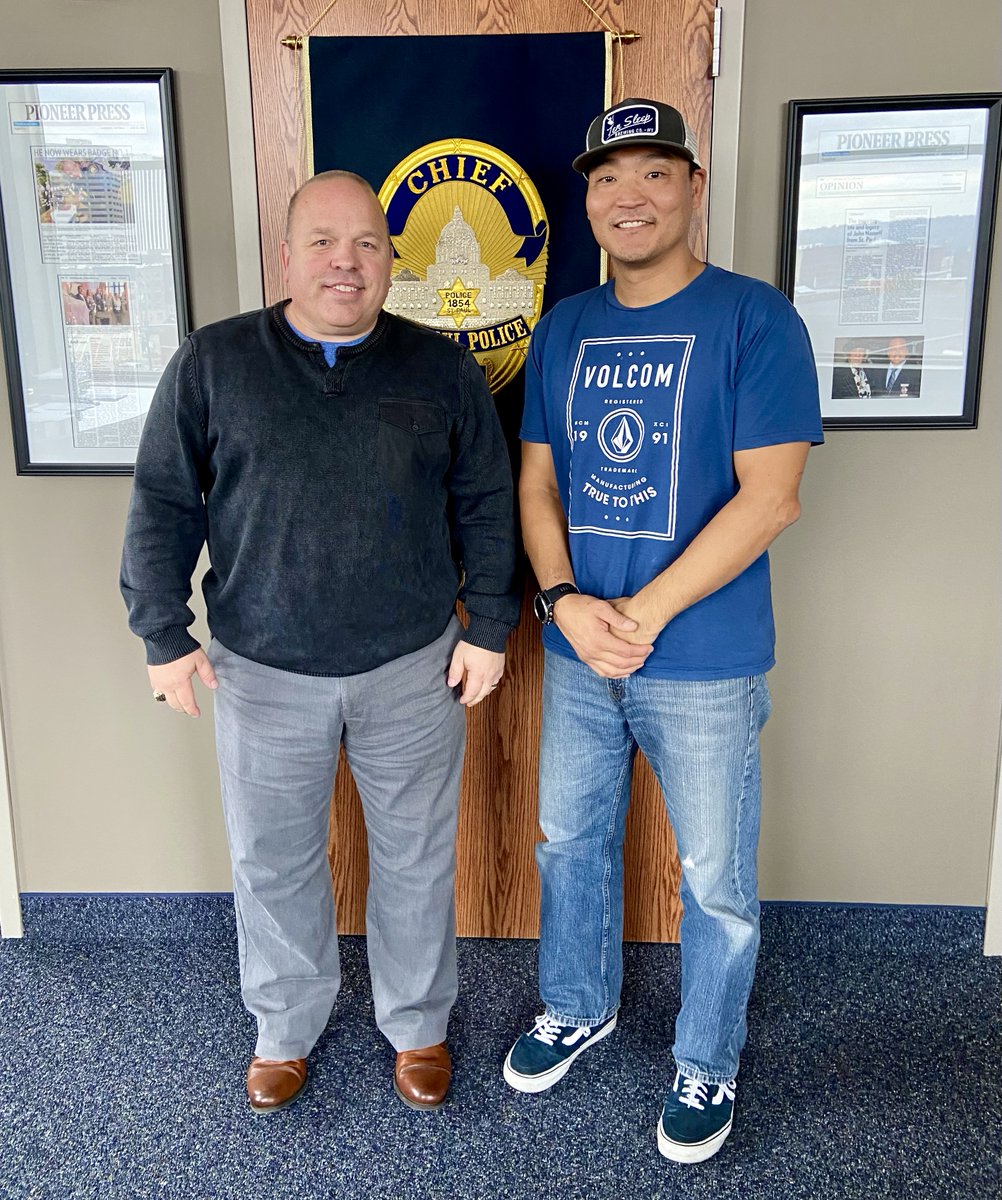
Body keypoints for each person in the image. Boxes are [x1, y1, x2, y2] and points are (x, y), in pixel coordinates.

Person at [121, 170, 518, 1115]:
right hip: (261, 669)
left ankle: (417, 1025)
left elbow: (487, 503)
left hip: (414, 666)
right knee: (273, 861)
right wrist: (162, 635)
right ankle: (284, 1028)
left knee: (416, 858)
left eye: (368, 244)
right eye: (325, 242)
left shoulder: (441, 369)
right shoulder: (213, 363)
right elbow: (164, 503)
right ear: (287, 256)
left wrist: (493, 625)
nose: (347, 261)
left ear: (390, 260)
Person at [503, 98, 823, 1163]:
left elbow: (771, 498)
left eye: (652, 172)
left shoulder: (756, 319)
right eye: (606, 178)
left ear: (692, 186)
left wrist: (641, 613)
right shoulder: (564, 328)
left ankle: (707, 1060)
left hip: (702, 661)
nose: (627, 195)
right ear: (588, 201)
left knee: (714, 879)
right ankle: (577, 1005)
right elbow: (538, 482)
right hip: (579, 649)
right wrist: (562, 600)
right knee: (568, 844)